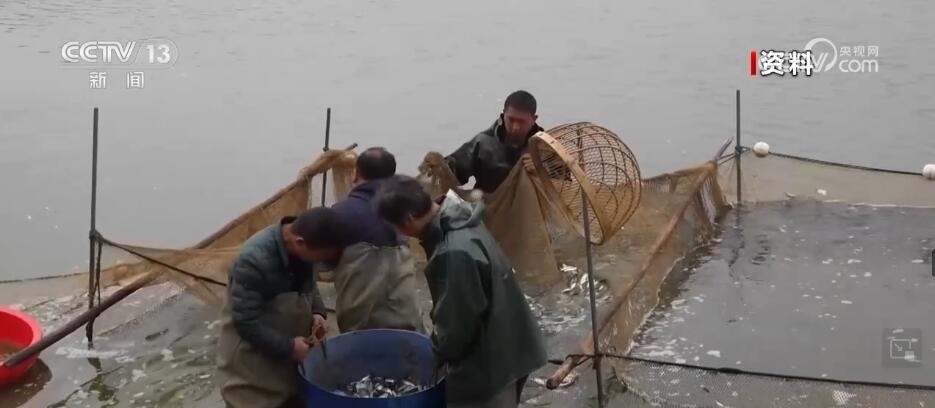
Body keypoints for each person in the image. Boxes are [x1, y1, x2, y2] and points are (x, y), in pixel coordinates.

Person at [374, 175, 548, 408]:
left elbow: (457, 327)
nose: (401, 233)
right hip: (511, 343)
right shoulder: (460, 217)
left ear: (409, 218)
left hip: (492, 363)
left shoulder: (454, 250)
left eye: (397, 227)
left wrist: (432, 356)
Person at [216, 207, 350, 408]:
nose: (319, 264)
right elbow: (245, 321)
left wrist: (318, 312)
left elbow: (309, 286)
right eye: (319, 259)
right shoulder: (252, 261)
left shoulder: (307, 246)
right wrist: (289, 347)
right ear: (300, 242)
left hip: (289, 363)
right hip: (252, 368)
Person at [329, 147, 424, 333]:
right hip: (407, 321)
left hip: (360, 326)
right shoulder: (405, 210)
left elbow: (323, 263)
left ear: (355, 174)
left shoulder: (340, 212)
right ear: (392, 177)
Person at [444, 90, 544, 194]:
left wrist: (541, 171)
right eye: (511, 120)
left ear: (534, 119)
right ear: (503, 114)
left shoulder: (545, 147)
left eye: (521, 121)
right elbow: (449, 174)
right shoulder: (484, 143)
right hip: (488, 202)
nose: (515, 127)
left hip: (530, 202)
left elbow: (556, 185)